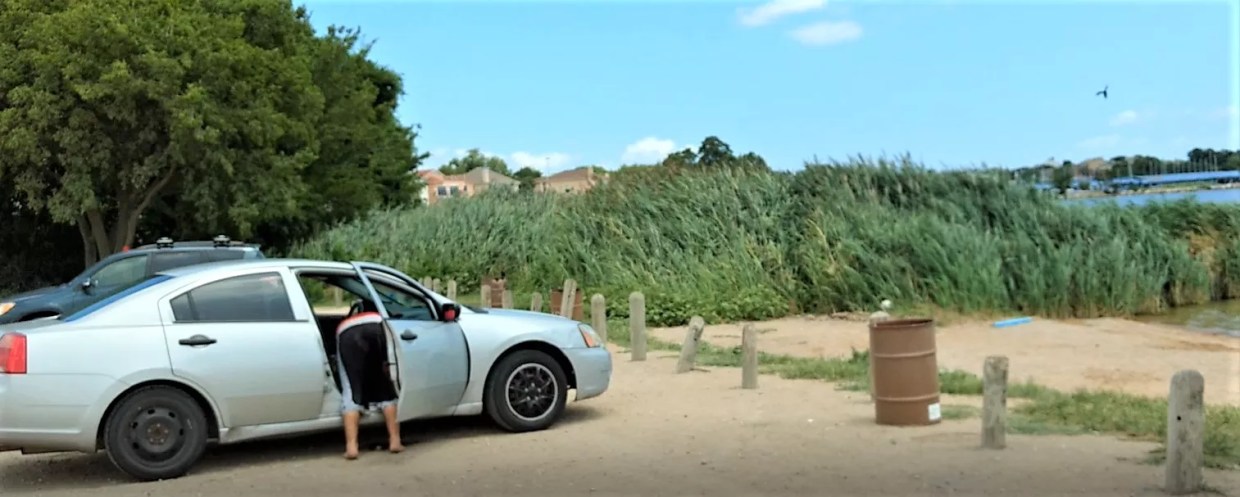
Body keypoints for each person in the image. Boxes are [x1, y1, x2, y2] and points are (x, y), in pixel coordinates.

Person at [335, 309, 404, 459]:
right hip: (377, 327)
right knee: (386, 386)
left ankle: (351, 447)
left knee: (352, 390)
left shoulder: (349, 320)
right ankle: (395, 440)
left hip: (346, 331)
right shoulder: (380, 316)